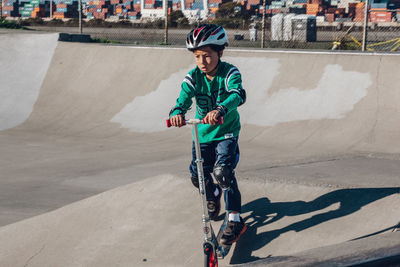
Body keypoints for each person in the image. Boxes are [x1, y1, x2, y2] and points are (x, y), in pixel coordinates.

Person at [169, 24, 247, 245]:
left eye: (208, 56)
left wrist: (220, 109)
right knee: (198, 176)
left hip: (226, 133)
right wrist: (177, 112)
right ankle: (213, 195)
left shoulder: (230, 73)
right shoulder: (193, 77)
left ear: (220, 53)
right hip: (202, 134)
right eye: (197, 56)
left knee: (223, 172)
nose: (202, 62)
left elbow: (236, 95)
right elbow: (182, 100)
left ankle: (235, 218)